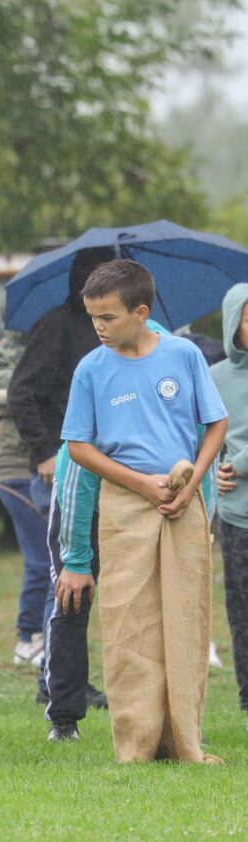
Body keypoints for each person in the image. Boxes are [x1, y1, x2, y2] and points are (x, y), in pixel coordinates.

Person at [62, 259, 226, 763]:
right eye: (93, 318)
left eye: (107, 318)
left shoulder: (184, 355)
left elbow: (214, 425)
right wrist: (140, 484)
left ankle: (183, 742)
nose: (99, 328)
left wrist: (191, 484)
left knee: (183, 620)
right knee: (130, 624)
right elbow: (79, 448)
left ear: (141, 311)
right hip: (126, 505)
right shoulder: (91, 368)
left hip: (183, 504)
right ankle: (136, 743)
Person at [7, 247, 114, 713]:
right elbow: (21, 392)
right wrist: (45, 451)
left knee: (87, 578)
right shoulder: (57, 326)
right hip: (60, 469)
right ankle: (55, 680)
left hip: (106, 470)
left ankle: (68, 677)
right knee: (66, 575)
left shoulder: (117, 336)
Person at [0, 330, 50, 667]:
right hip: (16, 468)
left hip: (52, 464)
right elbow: (22, 390)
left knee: (56, 558)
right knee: (41, 559)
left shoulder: (53, 344)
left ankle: (44, 635)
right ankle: (28, 636)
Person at [211, 283, 248, 724]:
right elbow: (205, 437)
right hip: (236, 514)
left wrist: (238, 463)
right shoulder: (215, 377)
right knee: (240, 608)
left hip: (237, 484)